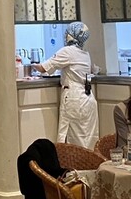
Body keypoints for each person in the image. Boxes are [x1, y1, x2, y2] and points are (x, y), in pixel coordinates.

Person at [32, 21, 99, 149]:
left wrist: (30, 64)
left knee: (71, 141)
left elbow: (43, 68)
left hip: (74, 99)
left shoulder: (67, 51)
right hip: (88, 99)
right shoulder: (85, 54)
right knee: (87, 140)